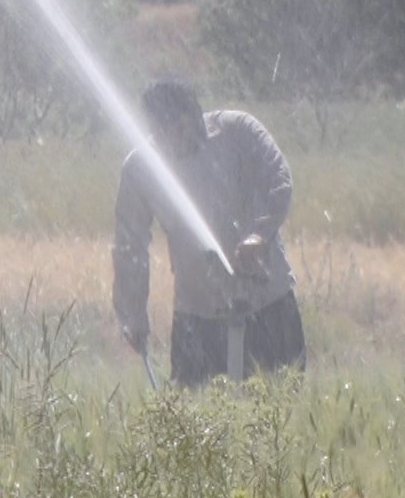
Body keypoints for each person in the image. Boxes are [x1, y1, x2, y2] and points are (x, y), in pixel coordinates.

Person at [112, 79, 304, 387]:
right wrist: (132, 313)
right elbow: (130, 245)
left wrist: (260, 234)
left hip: (268, 306)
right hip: (198, 318)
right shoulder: (140, 169)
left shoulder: (239, 130)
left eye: (184, 128)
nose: (179, 138)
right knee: (199, 420)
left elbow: (279, 179)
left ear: (197, 115)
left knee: (278, 412)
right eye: (167, 131)